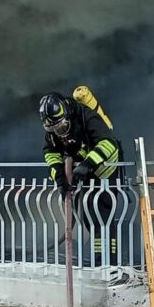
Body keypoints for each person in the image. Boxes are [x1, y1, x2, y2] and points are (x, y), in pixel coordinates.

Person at [39, 91, 122, 265]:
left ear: (67, 115)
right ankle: (100, 260)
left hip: (106, 172)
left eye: (62, 128)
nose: (60, 134)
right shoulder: (53, 130)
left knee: (103, 217)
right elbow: (51, 153)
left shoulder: (86, 117)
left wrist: (87, 164)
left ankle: (110, 263)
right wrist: (59, 178)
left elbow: (108, 144)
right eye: (55, 130)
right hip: (84, 175)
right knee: (89, 217)